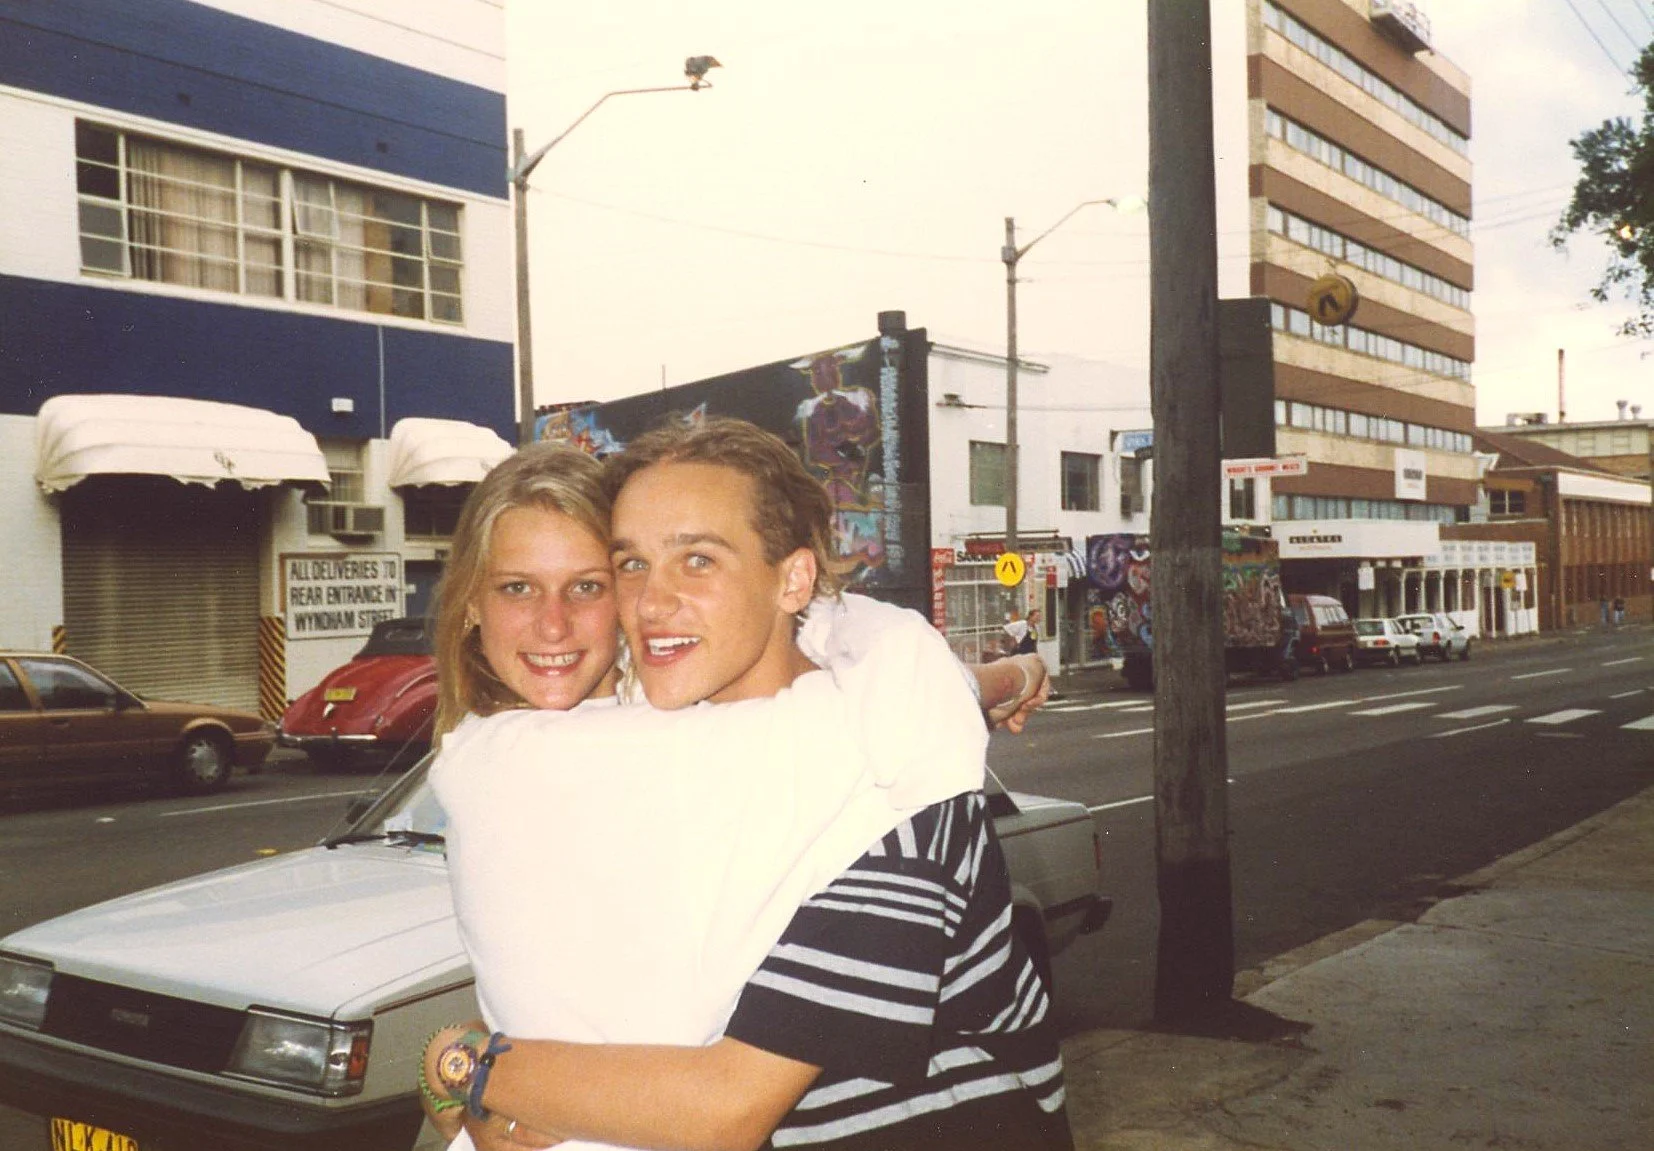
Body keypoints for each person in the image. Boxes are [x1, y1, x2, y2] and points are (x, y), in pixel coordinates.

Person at [422, 419, 1071, 1151]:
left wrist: (464, 1065)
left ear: (791, 579)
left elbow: (723, 1109)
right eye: (632, 565)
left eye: (697, 560)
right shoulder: (655, 765)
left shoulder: (896, 787)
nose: (652, 604)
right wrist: (1007, 675)